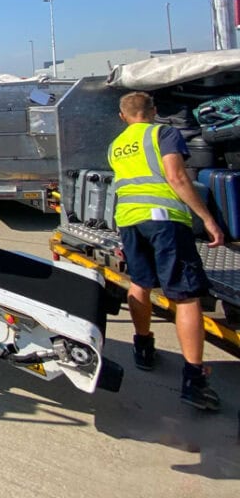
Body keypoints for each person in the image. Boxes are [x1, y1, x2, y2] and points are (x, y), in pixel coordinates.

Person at [107, 91, 225, 411]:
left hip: (128, 220)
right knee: (186, 295)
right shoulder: (164, 133)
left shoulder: (116, 145)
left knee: (140, 283)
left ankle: (143, 347)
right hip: (164, 220)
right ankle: (194, 379)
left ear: (122, 117)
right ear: (154, 111)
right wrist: (207, 219)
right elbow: (176, 177)